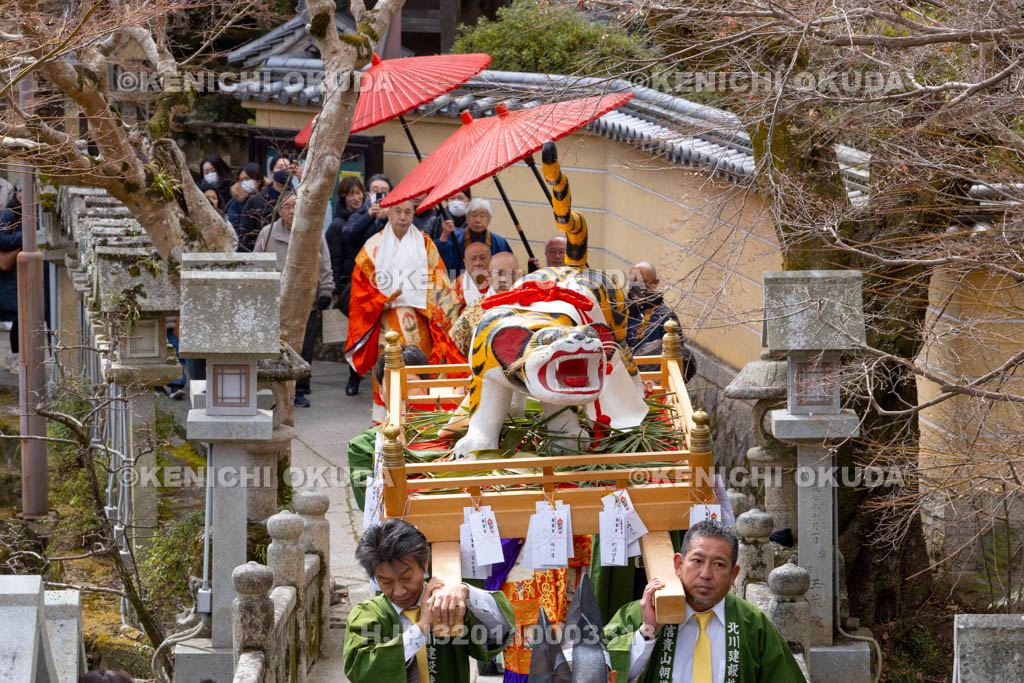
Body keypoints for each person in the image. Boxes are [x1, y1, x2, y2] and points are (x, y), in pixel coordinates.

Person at [605, 521, 806, 682]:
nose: (706, 574)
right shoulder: (642, 613)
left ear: (733, 574)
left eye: (719, 564)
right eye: (697, 561)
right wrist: (648, 632)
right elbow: (600, 670)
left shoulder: (753, 624)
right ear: (678, 564)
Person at [343, 518, 514, 683]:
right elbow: (360, 670)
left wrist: (467, 592)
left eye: (406, 577)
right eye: (386, 582)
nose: (399, 590)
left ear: (424, 564)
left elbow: (500, 631)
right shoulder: (367, 615)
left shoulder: (450, 604)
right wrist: (422, 625)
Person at [344, 196, 461, 399]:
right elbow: (360, 288)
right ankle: (384, 412)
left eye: (408, 211)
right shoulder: (373, 246)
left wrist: (421, 296)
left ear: (414, 214)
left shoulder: (425, 244)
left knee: (419, 365)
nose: (403, 216)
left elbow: (438, 279)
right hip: (385, 317)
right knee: (387, 366)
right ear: (388, 213)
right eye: (398, 211)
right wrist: (380, 299)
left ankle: (420, 407)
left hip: (417, 316)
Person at [254, 191, 334, 407]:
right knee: (276, 348)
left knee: (303, 349)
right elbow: (257, 267)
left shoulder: (314, 232)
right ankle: (273, 389)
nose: (291, 211)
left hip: (306, 301)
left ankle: (299, 389)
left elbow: (325, 264)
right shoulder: (267, 233)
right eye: (287, 206)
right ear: (279, 210)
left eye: (295, 206)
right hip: (276, 302)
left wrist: (326, 290)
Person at [347, 345, 429, 509]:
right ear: (380, 392)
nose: (401, 393)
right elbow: (371, 507)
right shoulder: (362, 446)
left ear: (426, 387)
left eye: (409, 383)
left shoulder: (452, 433)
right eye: (392, 385)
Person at [626, 261, 696, 381]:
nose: (636, 285)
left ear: (655, 284)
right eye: (633, 280)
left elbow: (677, 357)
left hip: (655, 382)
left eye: (641, 281)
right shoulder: (620, 311)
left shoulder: (665, 316)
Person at [448, 250, 520, 360]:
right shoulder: (474, 310)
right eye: (499, 273)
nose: (504, 279)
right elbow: (455, 351)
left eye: (510, 273)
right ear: (489, 276)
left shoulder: (530, 306)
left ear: (519, 275)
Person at [435, 198, 512, 275]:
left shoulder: (499, 242)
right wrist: (444, 235)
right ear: (467, 218)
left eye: (482, 216)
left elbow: (508, 269)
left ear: (489, 220)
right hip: (458, 283)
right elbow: (441, 263)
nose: (478, 220)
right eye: (474, 215)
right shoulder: (454, 237)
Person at [0, 188, 21, 373]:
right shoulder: (9, 214)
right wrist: (28, 236)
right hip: (6, 278)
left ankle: (16, 357)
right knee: (16, 317)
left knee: (18, 318)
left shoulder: (27, 213)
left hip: (15, 278)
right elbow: (2, 240)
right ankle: (15, 357)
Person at [229, 163, 272, 252]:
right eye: (241, 180)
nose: (244, 182)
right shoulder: (235, 204)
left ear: (259, 180)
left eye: (247, 179)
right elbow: (234, 228)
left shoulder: (270, 200)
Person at [452, 241, 494, 310]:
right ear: (465, 263)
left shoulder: (501, 282)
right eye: (473, 259)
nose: (478, 263)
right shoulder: (456, 288)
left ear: (491, 259)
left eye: (482, 258)